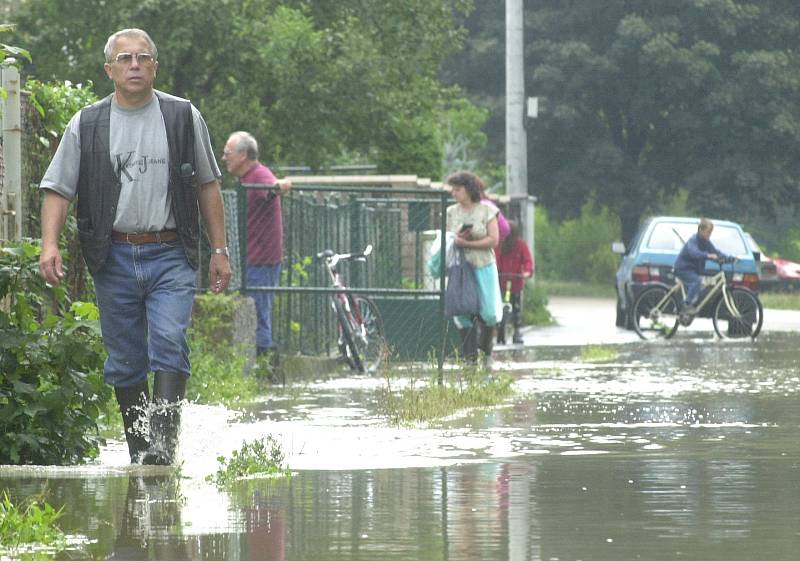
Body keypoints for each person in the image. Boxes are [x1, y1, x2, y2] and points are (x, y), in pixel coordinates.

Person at [38, 28, 231, 466]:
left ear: (155, 66)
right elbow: (58, 189)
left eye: (143, 57)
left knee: (169, 339)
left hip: (170, 252)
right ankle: (139, 449)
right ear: (109, 69)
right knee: (124, 358)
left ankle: (163, 447)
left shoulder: (182, 117)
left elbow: (208, 184)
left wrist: (219, 250)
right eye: (125, 59)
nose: (135, 65)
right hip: (114, 255)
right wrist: (49, 244)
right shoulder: (87, 123)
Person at [222, 131, 291, 358]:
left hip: (261, 259)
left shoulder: (259, 176)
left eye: (228, 153)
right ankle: (261, 362)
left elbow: (271, 190)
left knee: (259, 312)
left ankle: (264, 366)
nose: (224, 158)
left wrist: (278, 186)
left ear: (243, 155)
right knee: (257, 311)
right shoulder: (247, 177)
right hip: (254, 257)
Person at [446, 171, 503, 368]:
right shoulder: (451, 212)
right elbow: (448, 237)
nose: (454, 193)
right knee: (462, 311)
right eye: (452, 190)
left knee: (488, 311)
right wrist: (457, 240)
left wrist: (468, 242)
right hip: (460, 267)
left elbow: (494, 240)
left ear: (469, 190)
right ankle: (469, 359)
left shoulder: (487, 211)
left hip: (483, 265)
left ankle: (486, 351)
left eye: (457, 189)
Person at [673, 218, 731, 312]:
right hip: (683, 268)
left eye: (711, 232)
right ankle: (686, 305)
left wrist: (730, 258)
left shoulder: (706, 242)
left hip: (693, 270)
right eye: (708, 232)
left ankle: (689, 303)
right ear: (701, 230)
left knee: (698, 286)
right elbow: (694, 253)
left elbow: (716, 252)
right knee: (696, 281)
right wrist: (708, 255)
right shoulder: (693, 240)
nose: (710, 235)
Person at [496, 220, 533, 344]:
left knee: (516, 307)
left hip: (516, 283)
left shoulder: (521, 245)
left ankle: (517, 330)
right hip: (502, 281)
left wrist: (527, 272)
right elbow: (496, 260)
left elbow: (527, 260)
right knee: (499, 305)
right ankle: (500, 329)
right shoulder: (499, 245)